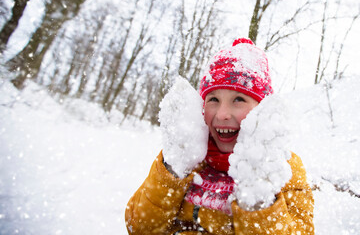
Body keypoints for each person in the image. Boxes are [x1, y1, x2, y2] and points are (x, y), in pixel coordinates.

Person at [125, 38, 314, 234]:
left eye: (239, 99)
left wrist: (258, 194)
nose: (222, 114)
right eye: (213, 99)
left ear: (262, 110)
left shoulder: (284, 167)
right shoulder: (189, 156)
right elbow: (139, 227)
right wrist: (175, 167)